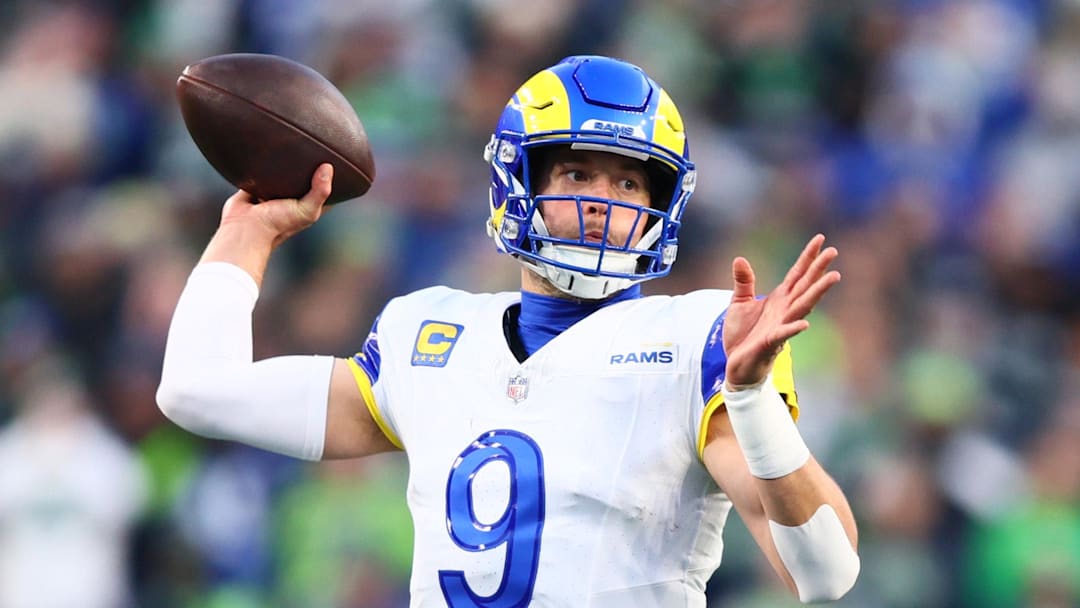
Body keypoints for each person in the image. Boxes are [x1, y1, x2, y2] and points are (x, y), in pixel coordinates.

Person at [158, 55, 860, 606]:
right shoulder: (427, 335)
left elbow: (824, 572)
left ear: (659, 205)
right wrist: (246, 233)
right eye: (578, 173)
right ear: (515, 181)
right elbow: (198, 390)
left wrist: (749, 401)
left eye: (628, 186)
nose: (600, 205)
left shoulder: (700, 338)